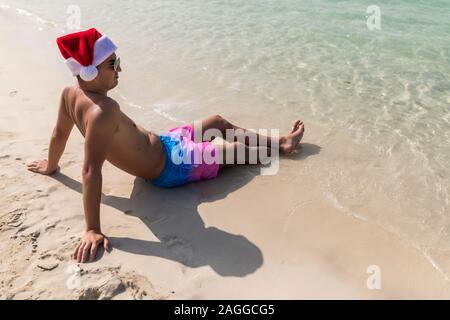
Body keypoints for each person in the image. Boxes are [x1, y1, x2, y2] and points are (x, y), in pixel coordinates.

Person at [27, 28, 305, 263]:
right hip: (172, 167)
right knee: (232, 152)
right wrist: (92, 229)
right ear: (88, 72)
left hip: (166, 142)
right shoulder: (103, 111)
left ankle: (280, 141)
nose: (119, 68)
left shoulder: (69, 93)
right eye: (112, 64)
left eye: (117, 60)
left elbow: (58, 134)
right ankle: (280, 148)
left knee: (217, 122)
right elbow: (90, 171)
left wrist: (52, 166)